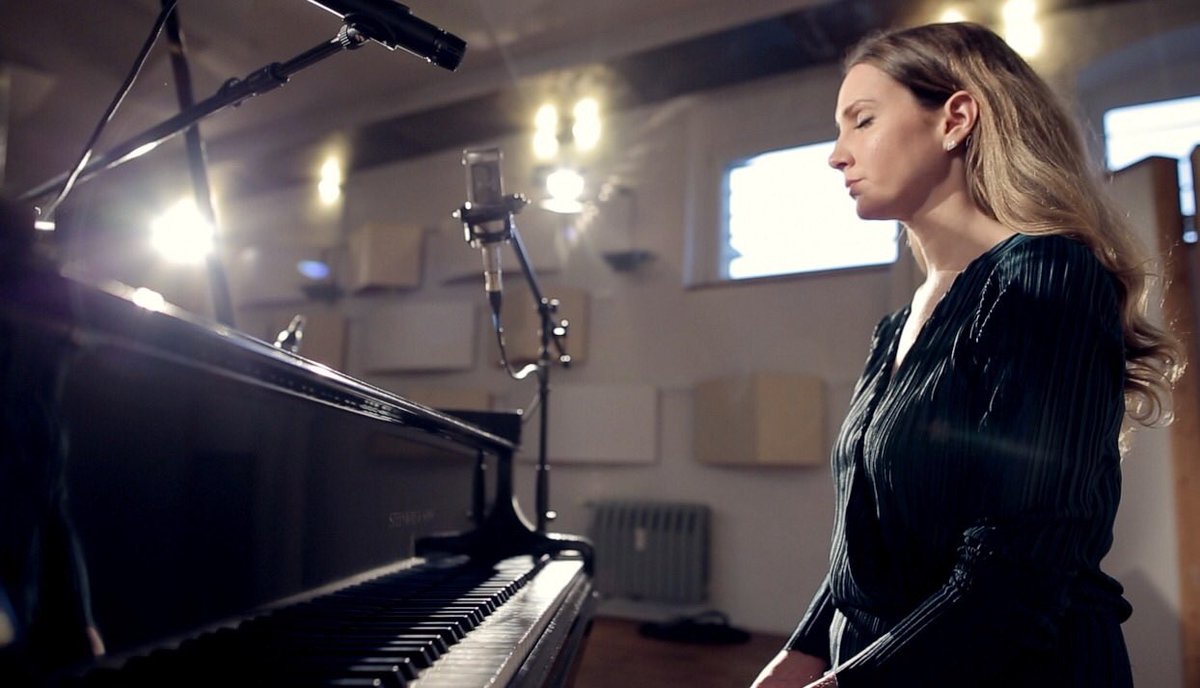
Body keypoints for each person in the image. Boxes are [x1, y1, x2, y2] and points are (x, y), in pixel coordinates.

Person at [751, 21, 1183, 688]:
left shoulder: (1047, 277)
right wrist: (800, 654)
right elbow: (871, 544)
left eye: (862, 120)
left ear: (955, 119)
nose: (836, 155)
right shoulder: (898, 326)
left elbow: (1021, 567)